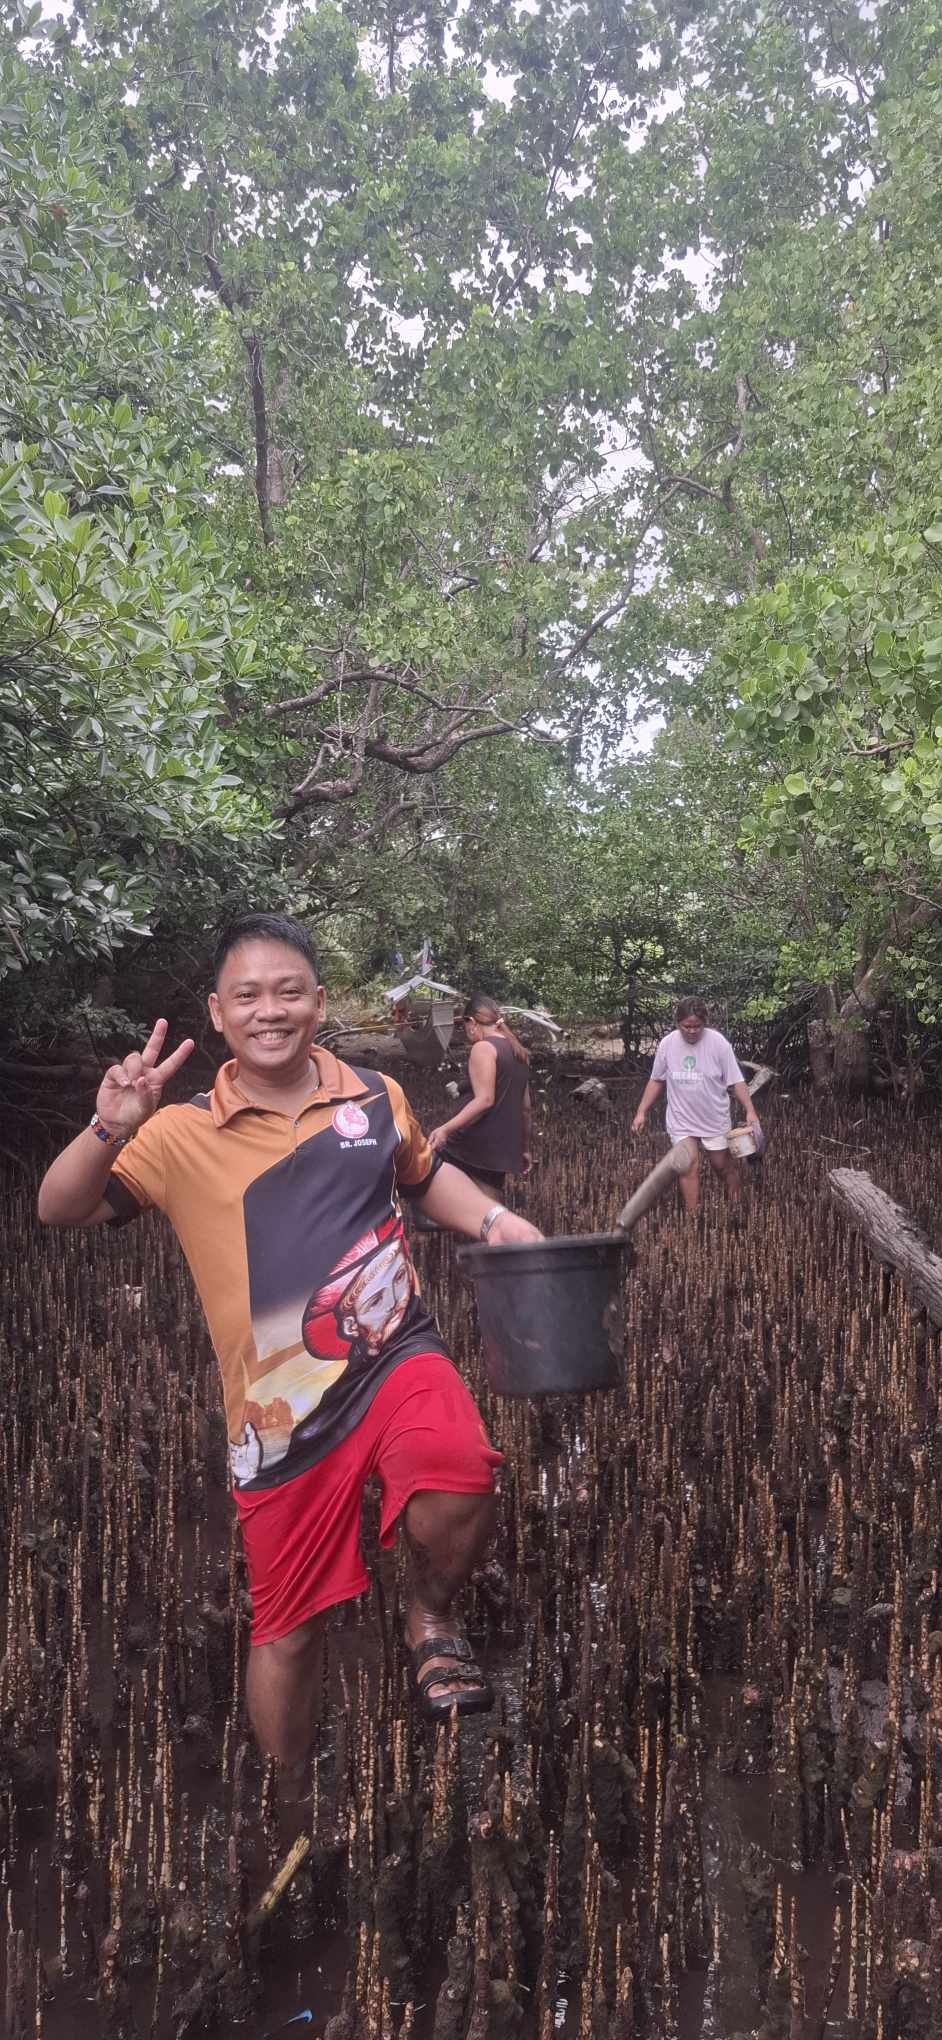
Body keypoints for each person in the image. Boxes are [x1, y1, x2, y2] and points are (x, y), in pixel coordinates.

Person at [37, 912, 542, 1799]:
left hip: (394, 1351)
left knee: (461, 1471)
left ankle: (428, 1619)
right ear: (218, 1013)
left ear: (318, 1002)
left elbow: (425, 1178)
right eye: (247, 996)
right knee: (290, 1629)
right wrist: (109, 1126)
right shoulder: (177, 1133)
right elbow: (59, 1209)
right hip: (279, 1411)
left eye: (288, 992)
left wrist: (497, 1219)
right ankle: (290, 1801)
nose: (269, 1011)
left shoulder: (374, 1096)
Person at [630, 995, 761, 1217]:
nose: (691, 1031)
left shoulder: (718, 1043)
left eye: (697, 1026)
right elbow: (656, 1080)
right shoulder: (667, 1044)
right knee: (688, 1165)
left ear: (705, 1023)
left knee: (722, 1166)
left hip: (714, 1118)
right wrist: (641, 1112)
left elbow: (736, 1081)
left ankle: (736, 1209)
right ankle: (692, 1219)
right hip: (681, 1119)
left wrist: (750, 1110)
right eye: (686, 1026)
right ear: (677, 1023)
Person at [428, 994, 533, 1197]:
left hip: (474, 1144)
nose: (466, 1033)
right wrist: (525, 1148)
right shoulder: (519, 1052)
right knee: (488, 1205)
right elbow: (526, 1108)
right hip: (501, 1147)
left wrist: (445, 1130)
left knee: (429, 1183)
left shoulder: (483, 1048)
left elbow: (485, 1100)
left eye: (464, 1026)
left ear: (471, 1022)